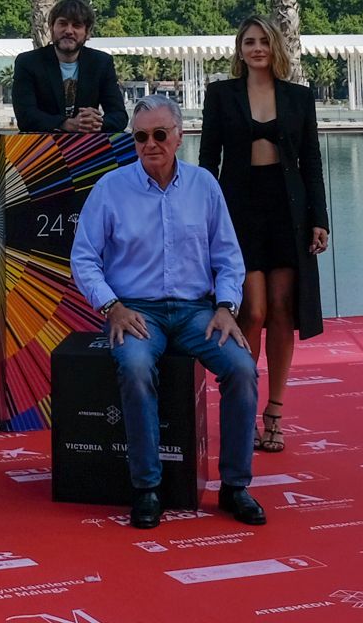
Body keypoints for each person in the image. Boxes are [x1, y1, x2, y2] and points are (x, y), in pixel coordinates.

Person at [70, 95, 265, 530]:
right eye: (141, 137)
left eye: (160, 134)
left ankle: (235, 486)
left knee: (242, 367)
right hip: (137, 311)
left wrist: (226, 307)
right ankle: (147, 488)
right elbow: (83, 258)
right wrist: (112, 307)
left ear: (180, 136)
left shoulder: (204, 186)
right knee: (136, 368)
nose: (150, 144)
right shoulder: (111, 188)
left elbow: (229, 258)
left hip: (199, 311)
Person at [199, 15, 330, 454]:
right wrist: (201, 219)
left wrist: (320, 218)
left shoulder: (298, 97)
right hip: (239, 209)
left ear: (275, 48)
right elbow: (207, 162)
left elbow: (311, 161)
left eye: (263, 41)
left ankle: (275, 412)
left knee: (280, 310)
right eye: (249, 42)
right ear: (239, 49)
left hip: (287, 210)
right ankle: (245, 406)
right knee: (250, 310)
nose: (256, 48)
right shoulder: (220, 95)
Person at [11, 0, 128, 134]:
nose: (69, 31)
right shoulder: (28, 63)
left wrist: (96, 123)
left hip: (88, 147)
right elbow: (25, 117)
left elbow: (119, 116)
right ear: (51, 28)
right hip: (42, 148)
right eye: (63, 24)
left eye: (76, 25)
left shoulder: (101, 63)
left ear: (88, 32)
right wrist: (66, 124)